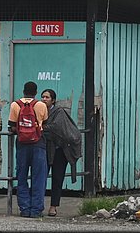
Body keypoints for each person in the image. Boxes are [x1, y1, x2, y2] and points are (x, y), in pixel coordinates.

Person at [8, 81, 49, 218]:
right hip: (38, 144)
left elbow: (12, 126)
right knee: (39, 177)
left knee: (22, 176)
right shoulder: (41, 105)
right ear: (36, 92)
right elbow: (45, 125)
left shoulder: (15, 105)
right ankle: (36, 210)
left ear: (23, 91)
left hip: (22, 144)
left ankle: (24, 209)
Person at [41, 89, 83, 217]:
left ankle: (53, 207)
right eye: (42, 97)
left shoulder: (59, 112)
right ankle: (38, 205)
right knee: (41, 178)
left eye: (47, 97)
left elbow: (56, 128)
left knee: (57, 179)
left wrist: (42, 128)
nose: (44, 99)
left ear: (53, 100)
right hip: (45, 149)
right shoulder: (39, 110)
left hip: (59, 150)